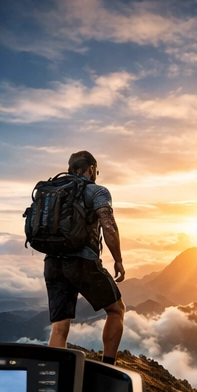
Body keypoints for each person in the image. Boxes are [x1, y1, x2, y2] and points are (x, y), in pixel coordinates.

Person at [44, 149, 127, 364]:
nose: (96, 175)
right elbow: (109, 227)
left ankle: (55, 374)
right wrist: (118, 260)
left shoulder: (53, 192)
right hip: (82, 262)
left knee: (60, 325)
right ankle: (108, 366)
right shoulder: (97, 192)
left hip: (52, 262)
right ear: (91, 169)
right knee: (116, 310)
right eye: (96, 171)